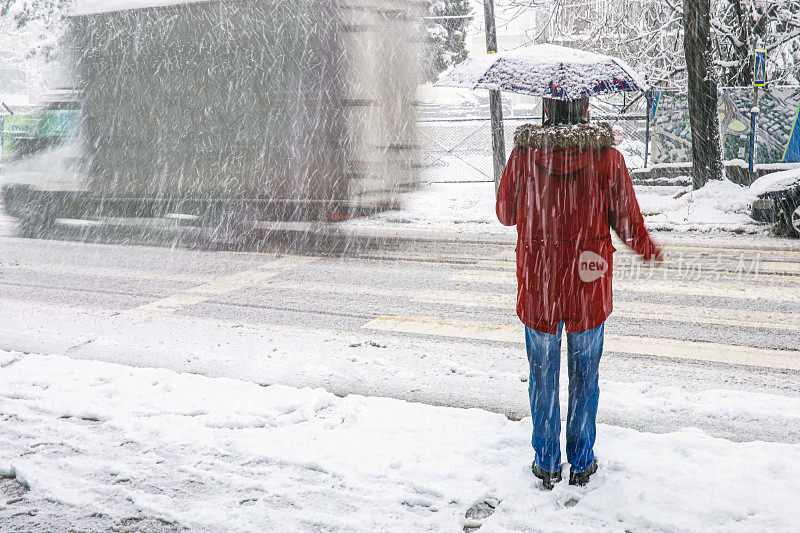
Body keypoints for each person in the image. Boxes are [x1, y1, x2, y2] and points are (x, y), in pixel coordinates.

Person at [496, 97, 662, 490]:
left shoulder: (524, 156)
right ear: (585, 109)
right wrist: (649, 250)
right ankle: (582, 462)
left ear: (547, 110)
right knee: (585, 377)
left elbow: (505, 214)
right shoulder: (608, 159)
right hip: (588, 287)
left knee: (542, 376)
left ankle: (547, 462)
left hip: (540, 286)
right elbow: (628, 221)